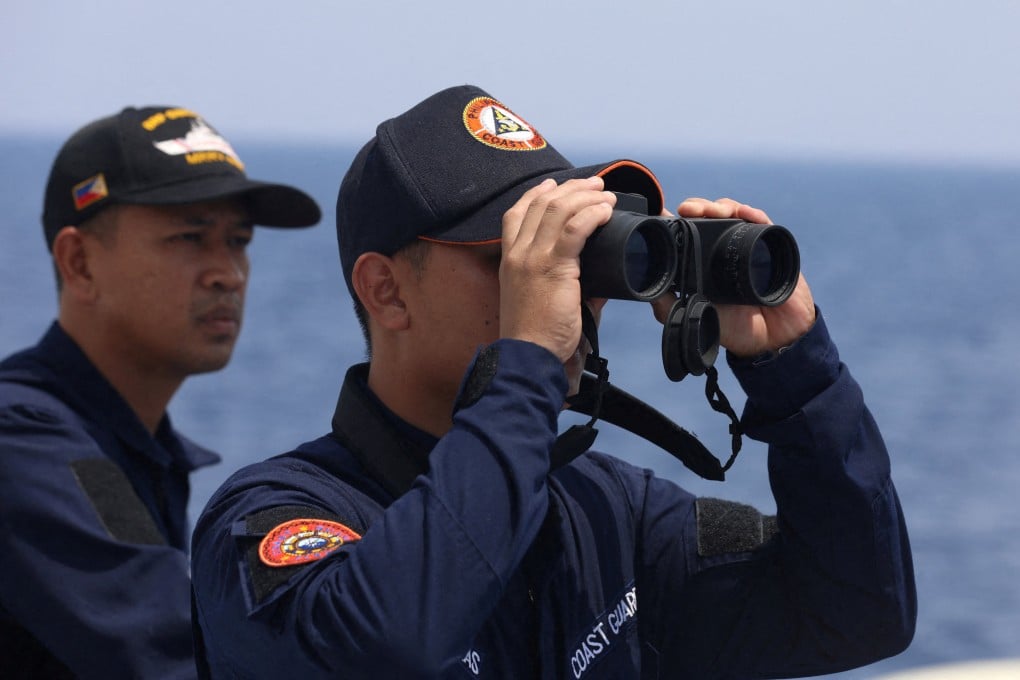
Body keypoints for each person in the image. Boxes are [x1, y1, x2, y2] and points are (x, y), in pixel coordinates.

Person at [191, 85, 916, 678]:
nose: (566, 291)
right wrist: (527, 363)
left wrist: (795, 374)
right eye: (516, 257)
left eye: (576, 254)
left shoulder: (609, 515)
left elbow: (856, 610)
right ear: (385, 291)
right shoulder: (266, 521)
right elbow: (388, 647)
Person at [0, 105, 321, 679]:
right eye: (189, 237)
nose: (229, 272)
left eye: (238, 239)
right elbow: (179, 661)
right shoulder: (25, 442)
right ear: (79, 262)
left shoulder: (118, 444)